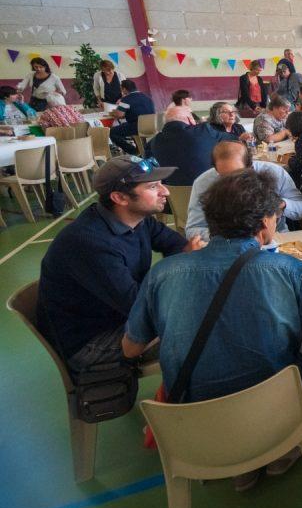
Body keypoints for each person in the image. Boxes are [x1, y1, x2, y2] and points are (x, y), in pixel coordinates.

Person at [123, 169, 302, 492]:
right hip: (274, 411)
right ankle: (281, 448)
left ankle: (240, 466)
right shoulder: (290, 270)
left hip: (192, 422)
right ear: (264, 222)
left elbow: (131, 349)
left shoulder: (163, 273)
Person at [37, 156, 201, 372]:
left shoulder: (139, 219)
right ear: (120, 197)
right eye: (153, 186)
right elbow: (139, 307)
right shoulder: (89, 243)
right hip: (89, 342)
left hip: (119, 315)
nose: (165, 192)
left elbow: (178, 246)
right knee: (203, 327)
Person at [186, 141, 302, 240]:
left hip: (276, 239)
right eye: (224, 177)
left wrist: (282, 205)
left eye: (238, 175)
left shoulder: (275, 172)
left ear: (250, 166)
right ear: (216, 169)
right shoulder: (203, 182)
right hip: (226, 245)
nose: (232, 183)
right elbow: (193, 229)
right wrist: (226, 236)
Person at [149, 117, 231, 187]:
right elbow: (233, 139)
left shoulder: (154, 141)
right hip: (208, 197)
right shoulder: (203, 132)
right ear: (191, 120)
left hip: (173, 199)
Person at [110, 80, 155, 155]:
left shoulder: (126, 99)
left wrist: (114, 111)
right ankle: (139, 150)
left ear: (124, 89)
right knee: (126, 126)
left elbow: (119, 115)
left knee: (112, 132)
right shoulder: (146, 97)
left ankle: (134, 151)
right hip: (152, 125)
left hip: (137, 126)